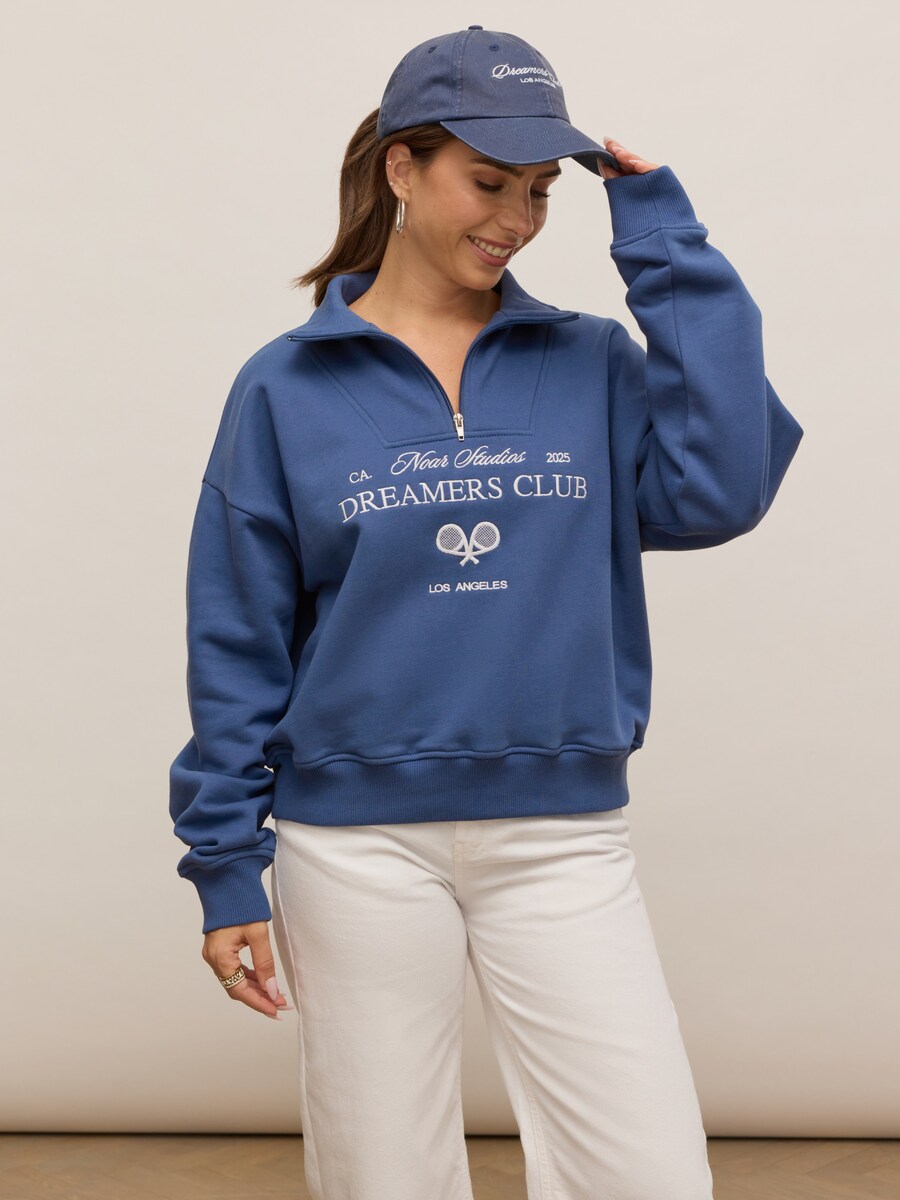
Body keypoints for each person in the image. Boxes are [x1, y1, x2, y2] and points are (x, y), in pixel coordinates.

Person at [169, 24, 803, 1200]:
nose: (516, 217)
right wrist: (225, 866)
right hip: (351, 845)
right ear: (402, 169)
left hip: (561, 833)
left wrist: (663, 237)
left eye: (541, 189)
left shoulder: (590, 363)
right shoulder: (285, 385)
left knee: (649, 1175)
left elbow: (723, 487)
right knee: (387, 1177)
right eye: (489, 181)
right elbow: (238, 636)